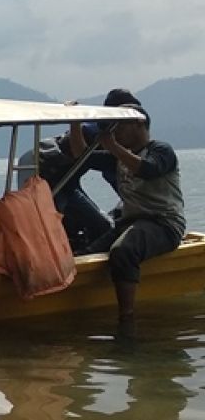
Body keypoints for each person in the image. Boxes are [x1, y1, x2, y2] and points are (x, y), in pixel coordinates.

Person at [69, 104, 184, 323]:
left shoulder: (161, 150)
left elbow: (148, 169)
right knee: (84, 254)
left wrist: (112, 146)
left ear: (139, 123)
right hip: (131, 222)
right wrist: (75, 123)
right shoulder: (119, 156)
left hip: (163, 223)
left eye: (119, 126)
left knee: (123, 251)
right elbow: (81, 156)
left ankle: (126, 317)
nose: (115, 132)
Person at [17, 88, 141, 252]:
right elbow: (107, 170)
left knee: (99, 224)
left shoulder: (108, 136)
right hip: (43, 173)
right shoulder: (96, 133)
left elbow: (113, 175)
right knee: (55, 229)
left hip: (67, 182)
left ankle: (78, 248)